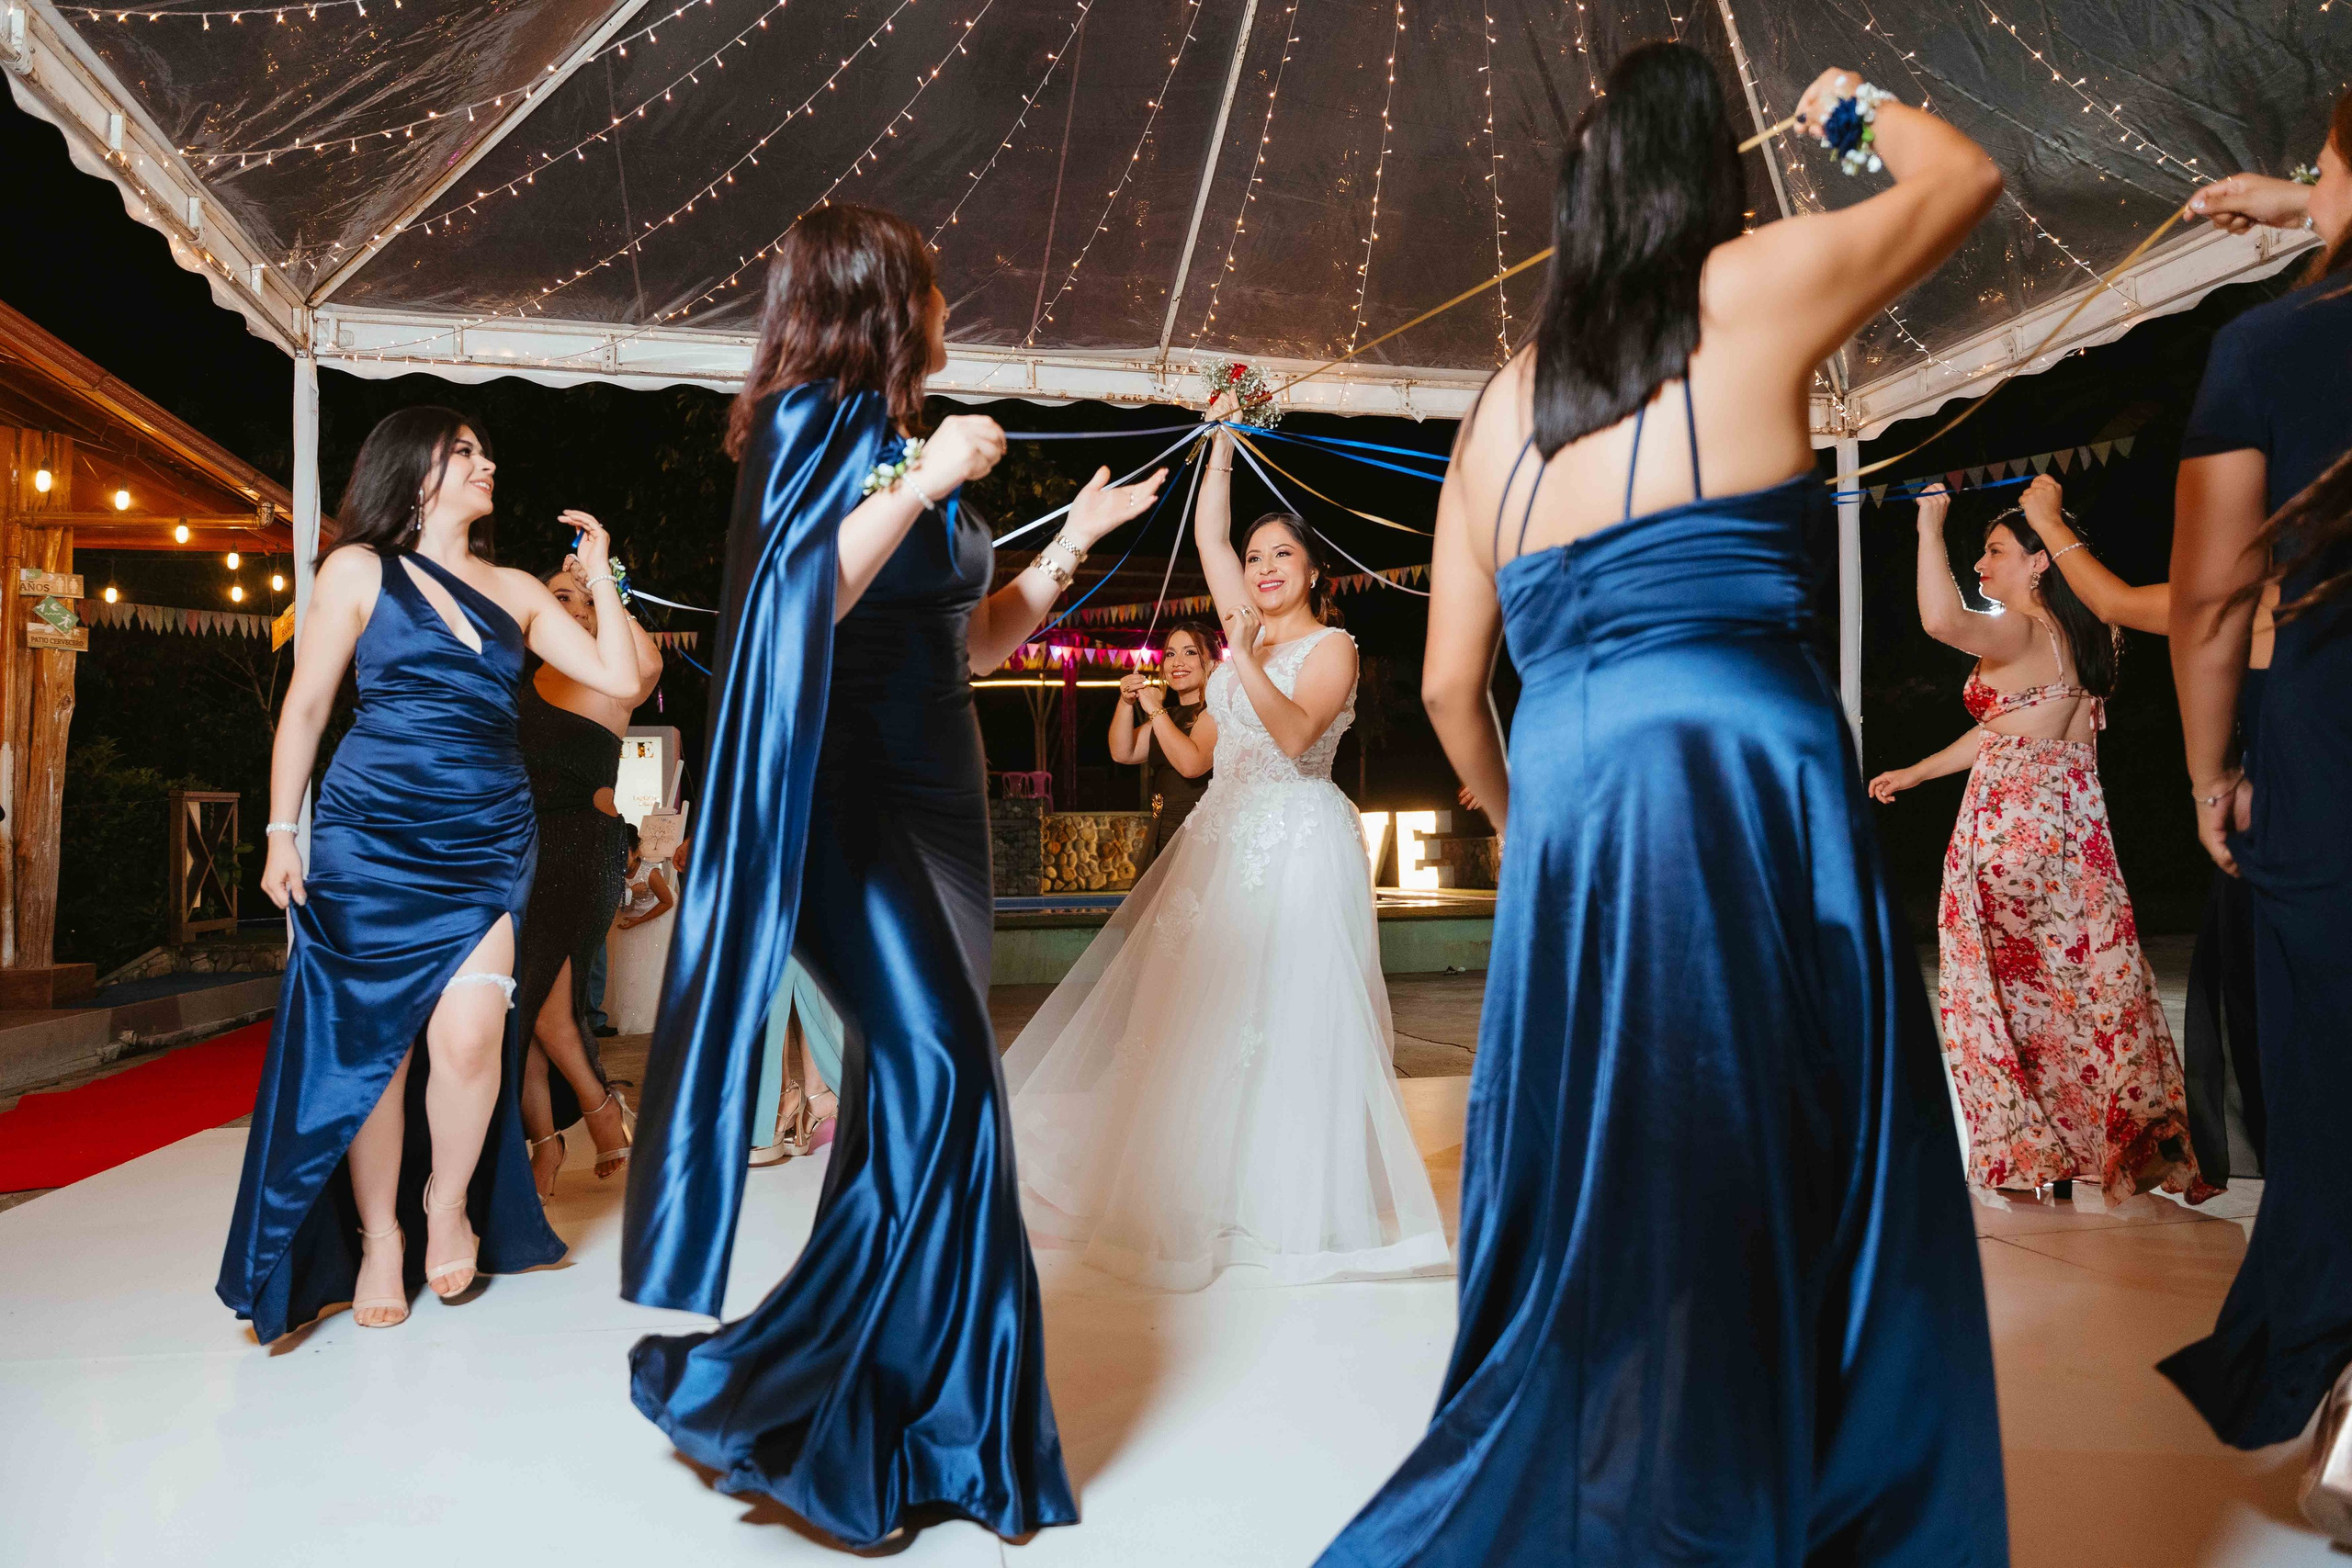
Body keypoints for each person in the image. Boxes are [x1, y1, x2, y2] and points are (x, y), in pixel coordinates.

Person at [1321, 51, 2009, 1564]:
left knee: (1601, 1158)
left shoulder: (1500, 407)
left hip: (1571, 781)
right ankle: (1816, 1491)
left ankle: (1617, 1480)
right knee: (1794, 1126)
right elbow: (1961, 177)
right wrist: (1844, 106)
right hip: (1740, 763)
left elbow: (1447, 690)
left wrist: (1522, 819)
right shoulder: (1752, 283)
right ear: (1716, 178)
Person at [620, 203, 1168, 1550]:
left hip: (941, 801)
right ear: (877, 298)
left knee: (911, 1091)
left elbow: (971, 638)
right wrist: (922, 481)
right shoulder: (815, 423)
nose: (941, 307)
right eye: (925, 286)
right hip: (840, 802)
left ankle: (885, 1389)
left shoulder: (902, 441)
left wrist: (1067, 543)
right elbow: (795, 604)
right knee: (945, 1077)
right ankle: (922, 1422)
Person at [217, 408, 648, 1341]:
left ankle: (445, 1204)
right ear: (413, 472)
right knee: (380, 1051)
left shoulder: (516, 591)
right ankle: (379, 1238)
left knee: (465, 1042)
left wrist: (602, 572)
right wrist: (281, 834)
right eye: (464, 453)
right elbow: (307, 708)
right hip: (366, 839)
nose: (486, 462)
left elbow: (622, 678)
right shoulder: (357, 569)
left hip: (488, 840)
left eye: (486, 450)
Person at [1001, 405, 1448, 1292]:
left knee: (1285, 1020)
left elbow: (1290, 736)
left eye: (1282, 554)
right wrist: (1218, 443)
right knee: (1200, 1017)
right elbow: (1205, 746)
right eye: (1254, 558)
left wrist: (1240, 657)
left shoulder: (1334, 648)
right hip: (1221, 837)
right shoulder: (1241, 622)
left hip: (1299, 840)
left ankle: (1287, 1204)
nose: (1263, 567)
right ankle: (1198, 1190)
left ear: (1314, 569)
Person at [2160, 101, 2352, 1529]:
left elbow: (2211, 602)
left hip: (2331, 759)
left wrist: (2210, 771)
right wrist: (2303, 203)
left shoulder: (2267, 351)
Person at [1869, 479, 2203, 1202]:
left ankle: (2029, 1151)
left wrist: (1931, 527)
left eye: (1993, 553)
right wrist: (1921, 771)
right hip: (2075, 839)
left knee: (1997, 1004)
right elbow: (2010, 727)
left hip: (2001, 838)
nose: (1982, 566)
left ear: (2039, 562)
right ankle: (2090, 1146)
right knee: (2077, 999)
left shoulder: (2018, 630)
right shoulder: (2090, 636)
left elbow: (1938, 620)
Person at [2021, 474, 2273, 1190]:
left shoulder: (2269, 598)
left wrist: (2209, 785)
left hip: (2290, 819)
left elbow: (2113, 603)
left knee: (2274, 1015)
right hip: (2296, 810)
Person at [517, 558, 664, 1200]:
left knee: (544, 1011)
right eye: (560, 597)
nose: (572, 610)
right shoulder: (518, 680)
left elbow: (650, 665)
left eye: (582, 602)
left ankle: (595, 1114)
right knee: (514, 1007)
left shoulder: (615, 676)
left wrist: (607, 585)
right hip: (519, 851)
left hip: (581, 850)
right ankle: (549, 1137)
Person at [1109, 618, 1217, 863]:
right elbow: (1122, 752)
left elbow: (1192, 766)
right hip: (1162, 829)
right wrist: (1126, 703)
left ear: (1213, 663)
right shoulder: (1168, 718)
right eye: (1170, 654)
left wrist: (1154, 708)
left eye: (1190, 652)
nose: (1177, 662)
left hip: (1198, 833)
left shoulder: (1216, 712)